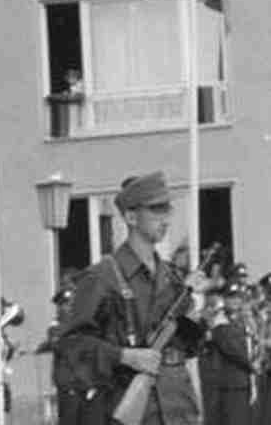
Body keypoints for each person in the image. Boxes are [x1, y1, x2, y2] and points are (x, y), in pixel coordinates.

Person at [55, 171, 207, 424]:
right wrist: (124, 356)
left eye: (167, 210)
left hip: (178, 404)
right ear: (131, 216)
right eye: (156, 210)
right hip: (133, 404)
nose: (165, 219)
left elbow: (190, 347)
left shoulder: (172, 277)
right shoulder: (102, 277)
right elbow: (71, 346)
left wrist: (194, 321)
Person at [200, 282, 257, 424]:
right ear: (224, 299)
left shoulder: (242, 320)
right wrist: (253, 365)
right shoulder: (221, 322)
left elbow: (252, 344)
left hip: (242, 382)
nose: (236, 301)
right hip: (229, 385)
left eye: (239, 297)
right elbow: (233, 350)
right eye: (231, 297)